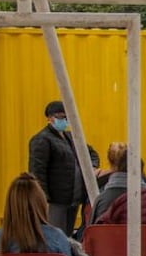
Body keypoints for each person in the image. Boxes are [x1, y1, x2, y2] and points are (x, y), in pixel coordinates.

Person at [29, 100, 96, 237]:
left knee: (67, 236)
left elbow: (91, 153)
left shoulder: (71, 136)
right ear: (49, 118)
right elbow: (37, 172)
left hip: (73, 198)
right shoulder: (42, 140)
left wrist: (93, 168)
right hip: (55, 200)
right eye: (60, 117)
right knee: (55, 236)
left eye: (67, 117)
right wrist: (43, 198)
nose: (64, 120)